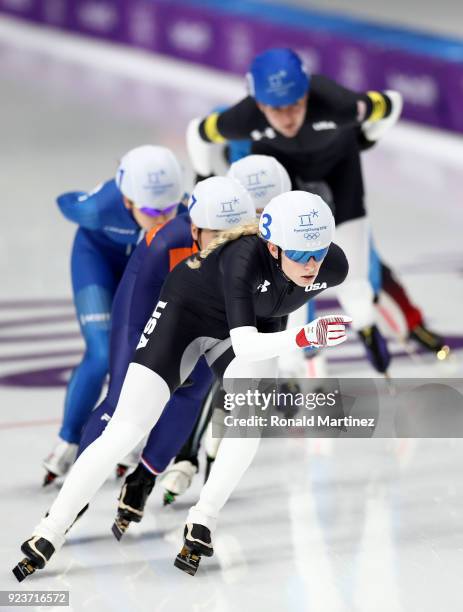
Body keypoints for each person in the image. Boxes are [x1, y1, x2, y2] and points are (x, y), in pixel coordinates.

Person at [13, 189, 350, 581]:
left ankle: (203, 519)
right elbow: (246, 343)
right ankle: (50, 530)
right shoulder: (244, 258)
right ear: (273, 248)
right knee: (126, 429)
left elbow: (267, 321)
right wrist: (307, 337)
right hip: (187, 314)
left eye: (318, 253)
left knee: (250, 418)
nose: (311, 265)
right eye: (299, 254)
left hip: (247, 326)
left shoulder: (333, 266)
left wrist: (299, 335)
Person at [186, 47, 405, 375]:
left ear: (307, 95)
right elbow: (197, 133)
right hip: (286, 183)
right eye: (276, 109)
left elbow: (391, 103)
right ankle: (290, 364)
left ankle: (366, 323)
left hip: (341, 178)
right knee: (287, 278)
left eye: (296, 106)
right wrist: (203, 179)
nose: (287, 118)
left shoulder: (336, 103)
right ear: (259, 105)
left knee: (355, 290)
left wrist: (365, 137)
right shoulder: (244, 117)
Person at [74, 176, 256, 537]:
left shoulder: (256, 248)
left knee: (191, 391)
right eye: (216, 236)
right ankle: (77, 493)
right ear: (194, 229)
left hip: (207, 311)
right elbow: (138, 314)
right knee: (121, 398)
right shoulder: (165, 243)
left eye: (236, 236)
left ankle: (142, 480)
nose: (226, 246)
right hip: (155, 307)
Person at [42, 145, 184, 485]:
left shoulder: (187, 209)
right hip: (98, 263)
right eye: (152, 210)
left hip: (146, 270)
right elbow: (65, 200)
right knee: (103, 353)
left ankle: (132, 434)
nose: (164, 219)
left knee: (149, 352)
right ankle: (68, 440)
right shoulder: (97, 208)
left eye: (171, 209)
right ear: (128, 201)